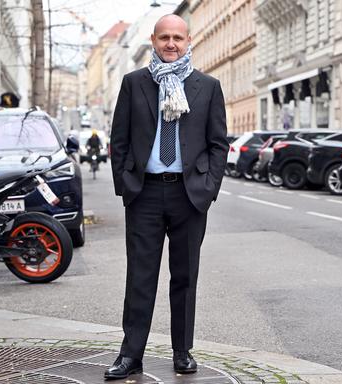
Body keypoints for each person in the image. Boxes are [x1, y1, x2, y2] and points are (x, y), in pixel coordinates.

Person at [106, 14, 228, 380]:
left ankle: (182, 352)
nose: (171, 44)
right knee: (140, 276)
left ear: (189, 40)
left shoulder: (207, 86)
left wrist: (209, 188)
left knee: (185, 276)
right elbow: (120, 139)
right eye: (164, 38)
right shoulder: (134, 83)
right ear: (154, 40)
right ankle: (131, 356)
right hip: (144, 194)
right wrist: (126, 185)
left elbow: (218, 143)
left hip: (189, 195)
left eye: (177, 37)